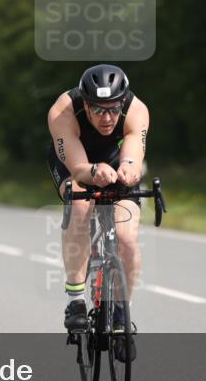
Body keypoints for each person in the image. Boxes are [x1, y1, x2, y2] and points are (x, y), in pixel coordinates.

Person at [46, 64, 149, 357]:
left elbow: (133, 156)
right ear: (85, 104)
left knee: (127, 238)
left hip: (114, 160)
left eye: (114, 109)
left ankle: (120, 312)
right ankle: (76, 298)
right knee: (79, 204)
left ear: (122, 103)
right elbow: (78, 168)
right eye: (99, 110)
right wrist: (92, 171)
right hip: (75, 159)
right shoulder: (63, 110)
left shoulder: (137, 109)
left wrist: (128, 170)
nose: (107, 118)